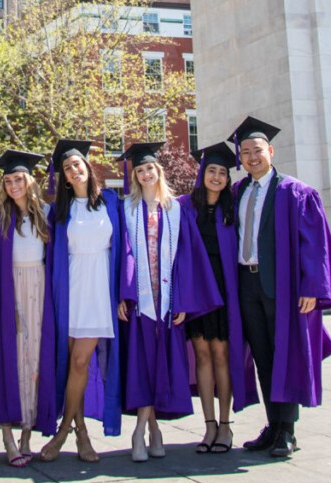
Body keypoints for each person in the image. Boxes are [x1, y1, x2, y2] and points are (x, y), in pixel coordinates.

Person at [229, 115, 331, 458]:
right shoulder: (237, 191)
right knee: (264, 358)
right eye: (245, 152)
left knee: (286, 354)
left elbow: (314, 245)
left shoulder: (296, 192)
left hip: (282, 288)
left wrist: (312, 287)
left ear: (271, 150)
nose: (251, 157)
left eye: (257, 150)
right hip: (246, 284)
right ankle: (272, 425)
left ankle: (287, 431)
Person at [118, 143, 223, 461]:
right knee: (143, 367)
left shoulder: (176, 209)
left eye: (149, 168)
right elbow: (123, 254)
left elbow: (187, 258)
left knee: (159, 367)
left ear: (158, 171)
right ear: (135, 176)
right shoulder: (127, 208)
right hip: (140, 303)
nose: (145, 173)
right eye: (139, 170)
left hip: (167, 301)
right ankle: (146, 431)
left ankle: (148, 431)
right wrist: (124, 292)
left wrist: (183, 300)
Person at [0, 150, 56, 465]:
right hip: (10, 292)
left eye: (18, 179)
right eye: (7, 181)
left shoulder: (47, 213)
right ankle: (8, 436)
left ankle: (26, 435)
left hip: (40, 289)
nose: (13, 185)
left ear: (29, 180)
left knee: (34, 362)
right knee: (10, 360)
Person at [40, 139, 121, 463]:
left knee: (80, 362)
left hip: (99, 291)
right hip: (70, 290)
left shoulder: (111, 203)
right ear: (63, 177)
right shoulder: (59, 211)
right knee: (71, 363)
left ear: (88, 166)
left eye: (77, 165)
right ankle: (81, 432)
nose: (73, 171)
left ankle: (65, 433)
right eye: (66, 169)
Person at [182, 142, 258, 453]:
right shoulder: (186, 207)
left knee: (222, 358)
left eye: (222, 173)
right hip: (197, 294)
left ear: (228, 179)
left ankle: (226, 427)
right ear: (202, 174)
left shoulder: (233, 209)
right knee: (202, 357)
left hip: (225, 294)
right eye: (211, 171)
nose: (216, 176)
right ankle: (209, 426)